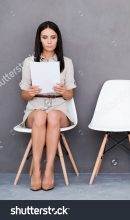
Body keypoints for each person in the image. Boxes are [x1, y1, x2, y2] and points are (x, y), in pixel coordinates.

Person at [19, 21, 76, 191]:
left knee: (51, 115)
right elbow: (23, 95)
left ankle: (49, 168)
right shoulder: (29, 62)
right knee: (41, 115)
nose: (49, 41)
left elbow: (70, 95)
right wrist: (30, 92)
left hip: (59, 107)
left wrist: (63, 90)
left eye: (53, 37)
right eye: (45, 38)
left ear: (58, 39)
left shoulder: (67, 62)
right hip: (35, 108)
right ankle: (37, 169)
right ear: (40, 40)